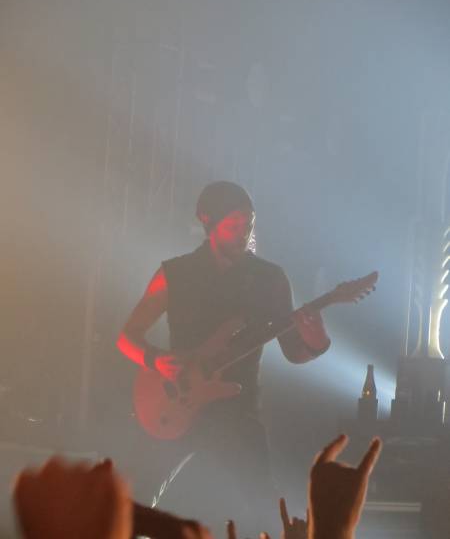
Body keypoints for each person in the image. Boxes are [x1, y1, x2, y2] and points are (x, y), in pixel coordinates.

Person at [117, 180, 331, 534]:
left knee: (267, 509)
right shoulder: (175, 273)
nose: (243, 234)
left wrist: (317, 343)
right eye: (234, 225)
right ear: (207, 221)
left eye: (249, 224)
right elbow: (127, 338)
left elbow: (294, 352)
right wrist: (155, 361)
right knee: (133, 504)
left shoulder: (270, 279)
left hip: (237, 410)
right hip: (177, 400)